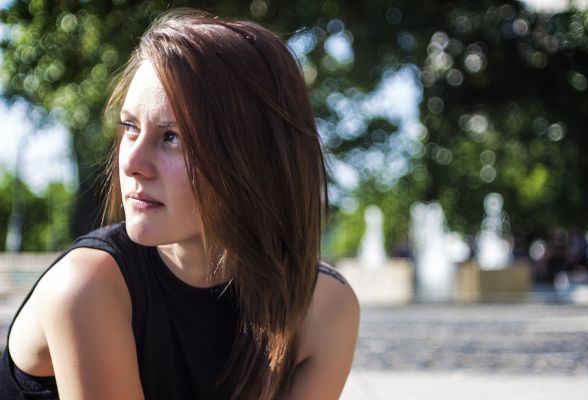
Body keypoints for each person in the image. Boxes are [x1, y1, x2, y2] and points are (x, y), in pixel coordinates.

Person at [0, 8, 360, 400]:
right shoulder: (86, 287)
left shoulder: (323, 306)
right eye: (130, 127)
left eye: (171, 136)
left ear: (253, 159)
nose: (132, 163)